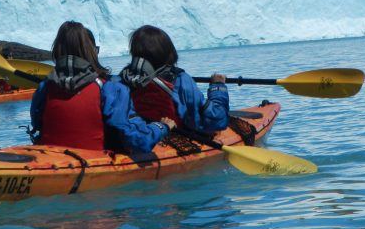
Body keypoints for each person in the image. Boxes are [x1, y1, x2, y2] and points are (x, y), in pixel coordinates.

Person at [30, 21, 175, 153]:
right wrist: (161, 127)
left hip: (49, 157)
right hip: (93, 160)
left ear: (57, 52)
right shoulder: (110, 88)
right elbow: (138, 141)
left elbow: (37, 123)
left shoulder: (45, 87)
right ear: (92, 52)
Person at [119, 25, 229, 134]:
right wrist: (218, 87)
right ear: (168, 51)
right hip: (176, 135)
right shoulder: (180, 80)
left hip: (146, 134)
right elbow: (217, 121)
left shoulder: (123, 80)